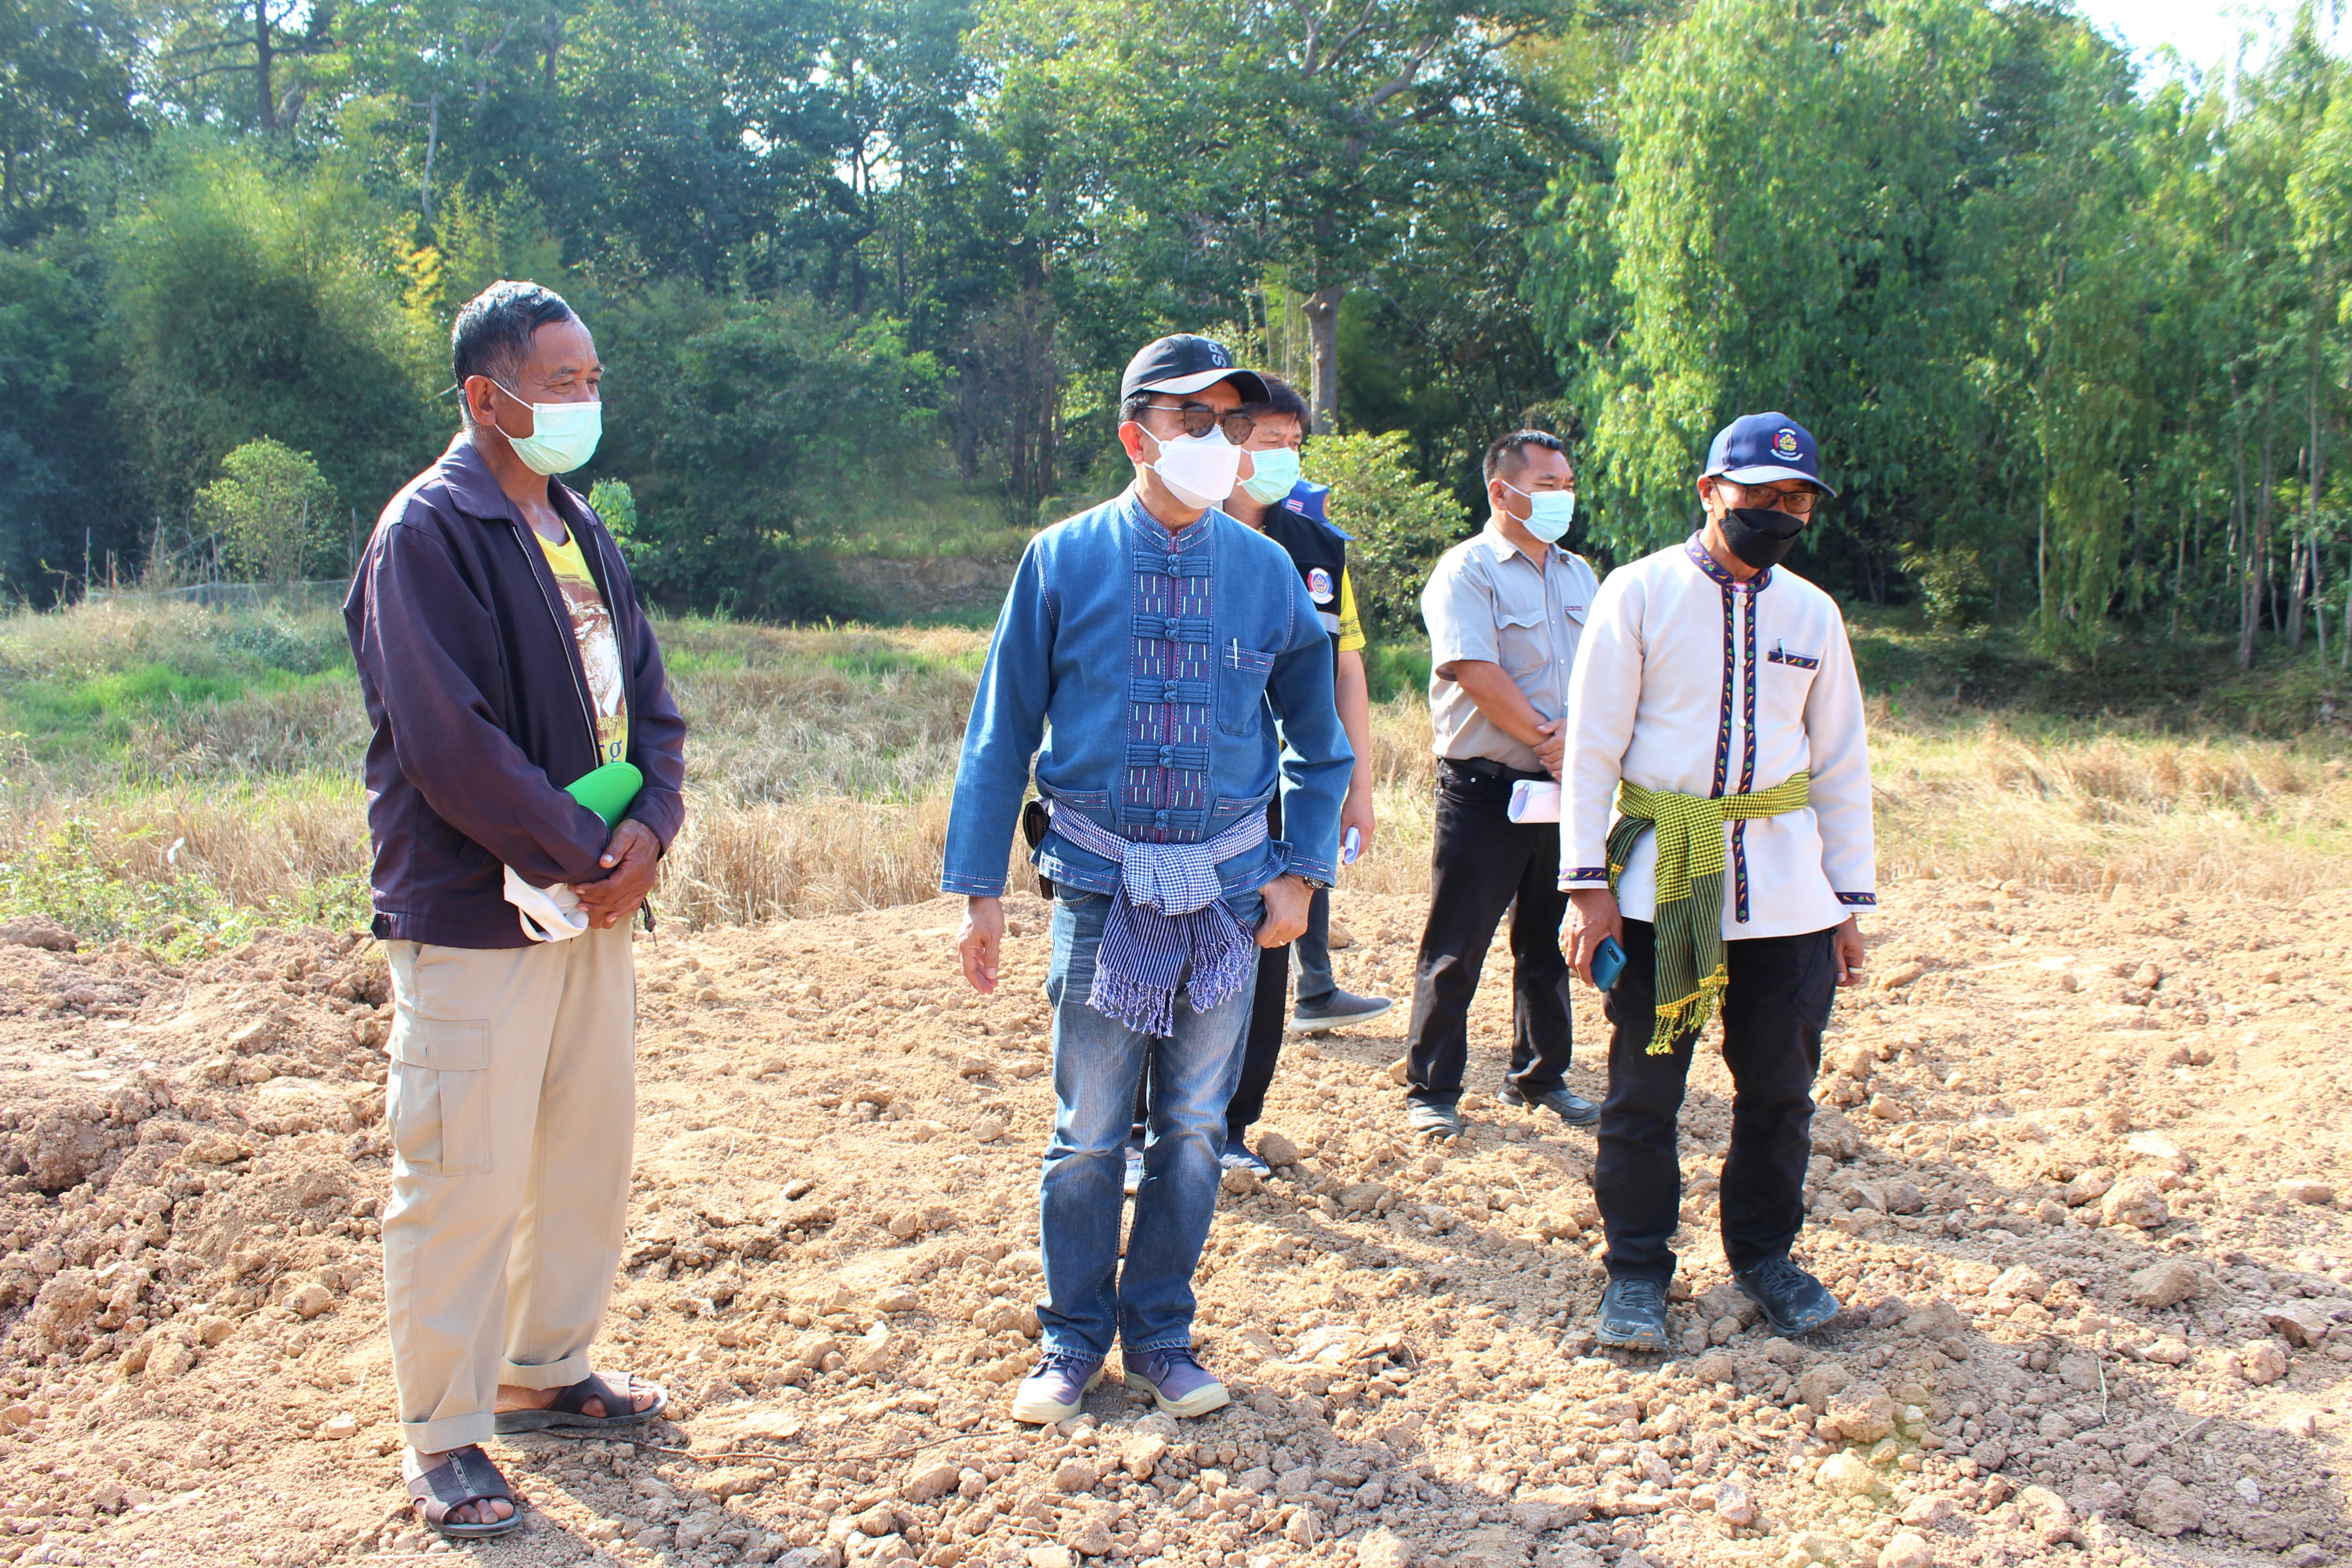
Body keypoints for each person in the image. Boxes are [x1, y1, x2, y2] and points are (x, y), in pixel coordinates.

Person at [944, 334, 1351, 1425]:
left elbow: (1320, 742)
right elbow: (999, 733)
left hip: (1226, 889)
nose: (1219, 443)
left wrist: (1301, 875)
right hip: (1096, 883)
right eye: (1194, 421)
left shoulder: (1267, 573)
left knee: (1194, 1125)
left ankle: (1162, 1331)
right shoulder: (1063, 558)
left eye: (1232, 422)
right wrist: (979, 889)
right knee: (1086, 1127)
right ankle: (1072, 1339)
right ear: (1136, 436)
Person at [345, 280, 686, 1540]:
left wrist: (651, 830)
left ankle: (546, 1368)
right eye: (559, 384)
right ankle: (443, 1432)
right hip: (481, 910)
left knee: (582, 1151)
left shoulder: (575, 524)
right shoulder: (428, 535)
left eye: (592, 380)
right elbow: (451, 746)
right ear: (484, 397)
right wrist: (585, 847)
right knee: (461, 1173)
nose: (584, 402)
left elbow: (650, 699)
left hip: (594, 903)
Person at [1559, 411, 1875, 1352]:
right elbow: (1589, 750)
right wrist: (1586, 887)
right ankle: (1638, 1271)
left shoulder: (1811, 614)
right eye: (1758, 497)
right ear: (1710, 492)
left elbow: (1841, 764)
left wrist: (1849, 904)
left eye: (1795, 501)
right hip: (1672, 883)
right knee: (1645, 1090)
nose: (1776, 515)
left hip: (1784, 895)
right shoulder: (1640, 593)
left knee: (1779, 1091)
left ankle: (1766, 1256)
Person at [1401, 431, 1599, 1141]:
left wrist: (1575, 746)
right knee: (1457, 944)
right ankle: (1432, 1087)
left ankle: (1541, 1077)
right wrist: (1552, 742)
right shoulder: (1467, 570)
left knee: (1547, 943)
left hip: (1563, 788)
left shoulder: (1581, 576)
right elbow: (1476, 671)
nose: (1562, 498)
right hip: (1486, 788)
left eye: (1566, 484)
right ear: (1501, 491)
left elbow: (1605, 674)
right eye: (1546, 485)